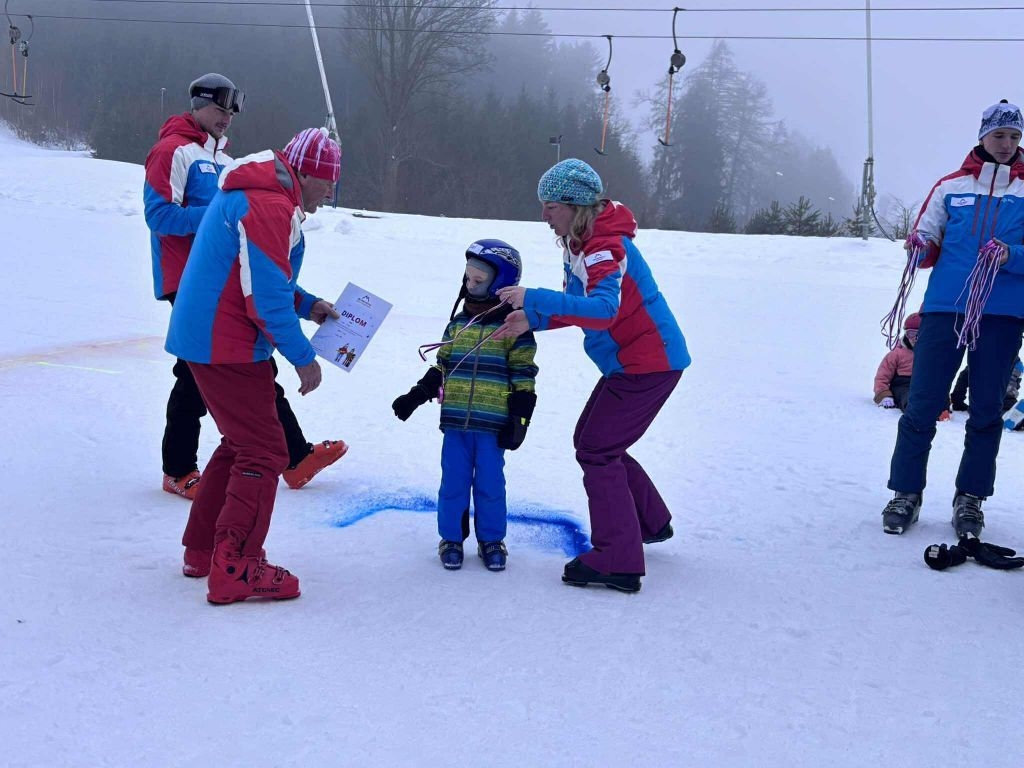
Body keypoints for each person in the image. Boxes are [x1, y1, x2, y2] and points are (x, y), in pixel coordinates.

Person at [144, 74, 346, 501]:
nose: (227, 119)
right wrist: (223, 218)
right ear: (197, 104)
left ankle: (293, 455)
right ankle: (179, 467)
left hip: (227, 283)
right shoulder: (173, 151)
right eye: (220, 110)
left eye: (232, 112)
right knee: (197, 377)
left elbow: (264, 273)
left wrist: (306, 305)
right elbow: (159, 216)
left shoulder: (220, 158)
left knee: (243, 375)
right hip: (192, 280)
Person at [493, 158, 690, 593]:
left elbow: (603, 311)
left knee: (597, 449)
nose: (543, 215)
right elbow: (576, 304)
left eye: (551, 207)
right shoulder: (581, 241)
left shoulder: (604, 248)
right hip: (633, 362)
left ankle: (617, 560)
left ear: (575, 206)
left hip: (648, 363)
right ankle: (649, 522)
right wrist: (534, 319)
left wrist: (534, 296)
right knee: (597, 442)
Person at [165, 127, 342, 604]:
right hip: (227, 342)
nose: (331, 194)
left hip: (212, 338)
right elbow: (263, 299)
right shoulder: (268, 204)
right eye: (329, 183)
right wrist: (304, 358)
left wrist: (310, 305)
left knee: (240, 443)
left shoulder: (265, 196)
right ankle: (237, 566)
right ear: (307, 174)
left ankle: (202, 549)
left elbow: (263, 276)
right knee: (264, 451)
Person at [881, 100, 1024, 537]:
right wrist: (918, 247)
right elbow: (928, 241)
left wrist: (1011, 255)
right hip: (945, 308)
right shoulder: (950, 187)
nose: (1007, 144)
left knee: (986, 409)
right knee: (923, 402)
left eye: (1014, 137)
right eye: (999, 135)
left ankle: (970, 499)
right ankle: (906, 492)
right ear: (982, 136)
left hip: (1002, 314)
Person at [391, 240, 538, 572]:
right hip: (456, 424)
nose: (470, 285)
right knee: (453, 484)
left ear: (500, 284)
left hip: (492, 426)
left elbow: (524, 373)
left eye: (479, 279)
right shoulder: (458, 324)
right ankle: (451, 539)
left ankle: (491, 540)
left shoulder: (513, 326)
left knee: (490, 486)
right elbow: (443, 365)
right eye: (467, 278)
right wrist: (416, 395)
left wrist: (521, 417)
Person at [949, 356, 1023, 419]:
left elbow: (964, 377)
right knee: (1002, 395)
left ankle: (1010, 414)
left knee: (1001, 400)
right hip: (1014, 364)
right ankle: (1014, 412)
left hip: (1006, 365)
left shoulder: (979, 358)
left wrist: (957, 401)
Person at [874, 313, 921, 411]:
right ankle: (914, 410)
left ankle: (940, 410)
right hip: (902, 385)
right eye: (911, 334)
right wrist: (884, 394)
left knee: (935, 395)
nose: (915, 339)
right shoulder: (897, 354)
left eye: (919, 334)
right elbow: (882, 377)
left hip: (923, 383)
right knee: (908, 395)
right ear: (906, 334)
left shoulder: (930, 355)